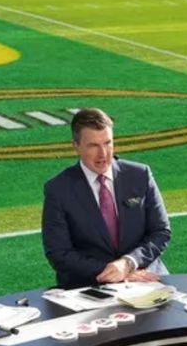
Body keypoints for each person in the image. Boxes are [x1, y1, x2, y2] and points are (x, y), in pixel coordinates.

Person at [42, 108, 170, 288]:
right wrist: (114, 272)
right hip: (90, 287)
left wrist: (129, 263)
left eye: (108, 143)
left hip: (145, 277)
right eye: (93, 145)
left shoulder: (140, 175)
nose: (103, 154)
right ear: (76, 146)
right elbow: (59, 253)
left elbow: (160, 231)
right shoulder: (58, 189)